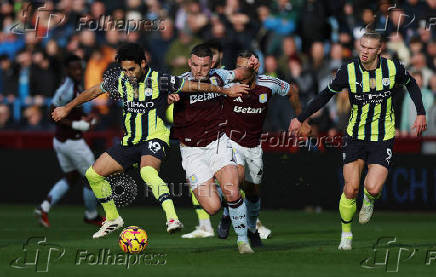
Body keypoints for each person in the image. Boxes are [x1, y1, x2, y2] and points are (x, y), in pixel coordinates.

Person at [52, 43, 248, 240]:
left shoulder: (160, 80)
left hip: (155, 138)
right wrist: (67, 108)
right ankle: (112, 218)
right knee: (92, 174)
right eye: (124, 69)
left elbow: (195, 85)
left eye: (132, 69)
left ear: (143, 64)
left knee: (147, 171)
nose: (128, 74)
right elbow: (94, 91)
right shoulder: (118, 80)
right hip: (130, 141)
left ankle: (172, 218)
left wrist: (225, 91)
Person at [289, 32, 427, 250]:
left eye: (370, 48)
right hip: (354, 136)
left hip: (382, 137)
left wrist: (420, 112)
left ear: (379, 50)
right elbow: (325, 95)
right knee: (350, 189)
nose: (364, 51)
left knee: (371, 188)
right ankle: (346, 235)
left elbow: (412, 84)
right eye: (362, 46)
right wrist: (300, 117)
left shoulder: (393, 68)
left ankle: (370, 200)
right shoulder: (348, 70)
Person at [170, 43, 256, 254]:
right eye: (195, 65)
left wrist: (252, 68)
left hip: (218, 143)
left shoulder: (220, 76)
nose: (199, 70)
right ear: (189, 63)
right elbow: (164, 96)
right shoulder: (180, 81)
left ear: (213, 64)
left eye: (204, 66)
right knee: (212, 207)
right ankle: (221, 193)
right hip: (191, 151)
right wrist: (169, 97)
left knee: (233, 191)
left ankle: (243, 241)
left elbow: (241, 72)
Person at [222, 50, 305, 247]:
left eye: (244, 68)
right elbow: (201, 86)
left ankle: (251, 229)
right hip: (229, 142)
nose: (239, 72)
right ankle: (234, 225)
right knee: (236, 180)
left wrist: (300, 118)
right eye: (237, 67)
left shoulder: (269, 84)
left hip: (253, 145)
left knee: (252, 191)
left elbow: (292, 91)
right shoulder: (227, 82)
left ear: (254, 68)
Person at [34, 54, 104, 228]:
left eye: (80, 67)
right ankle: (91, 214)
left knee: (71, 177)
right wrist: (79, 124)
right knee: (93, 177)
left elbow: (70, 111)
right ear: (67, 70)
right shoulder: (66, 89)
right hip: (72, 142)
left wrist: (85, 119)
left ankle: (44, 207)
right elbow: (53, 115)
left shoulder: (74, 86)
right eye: (74, 68)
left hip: (61, 141)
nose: (79, 71)